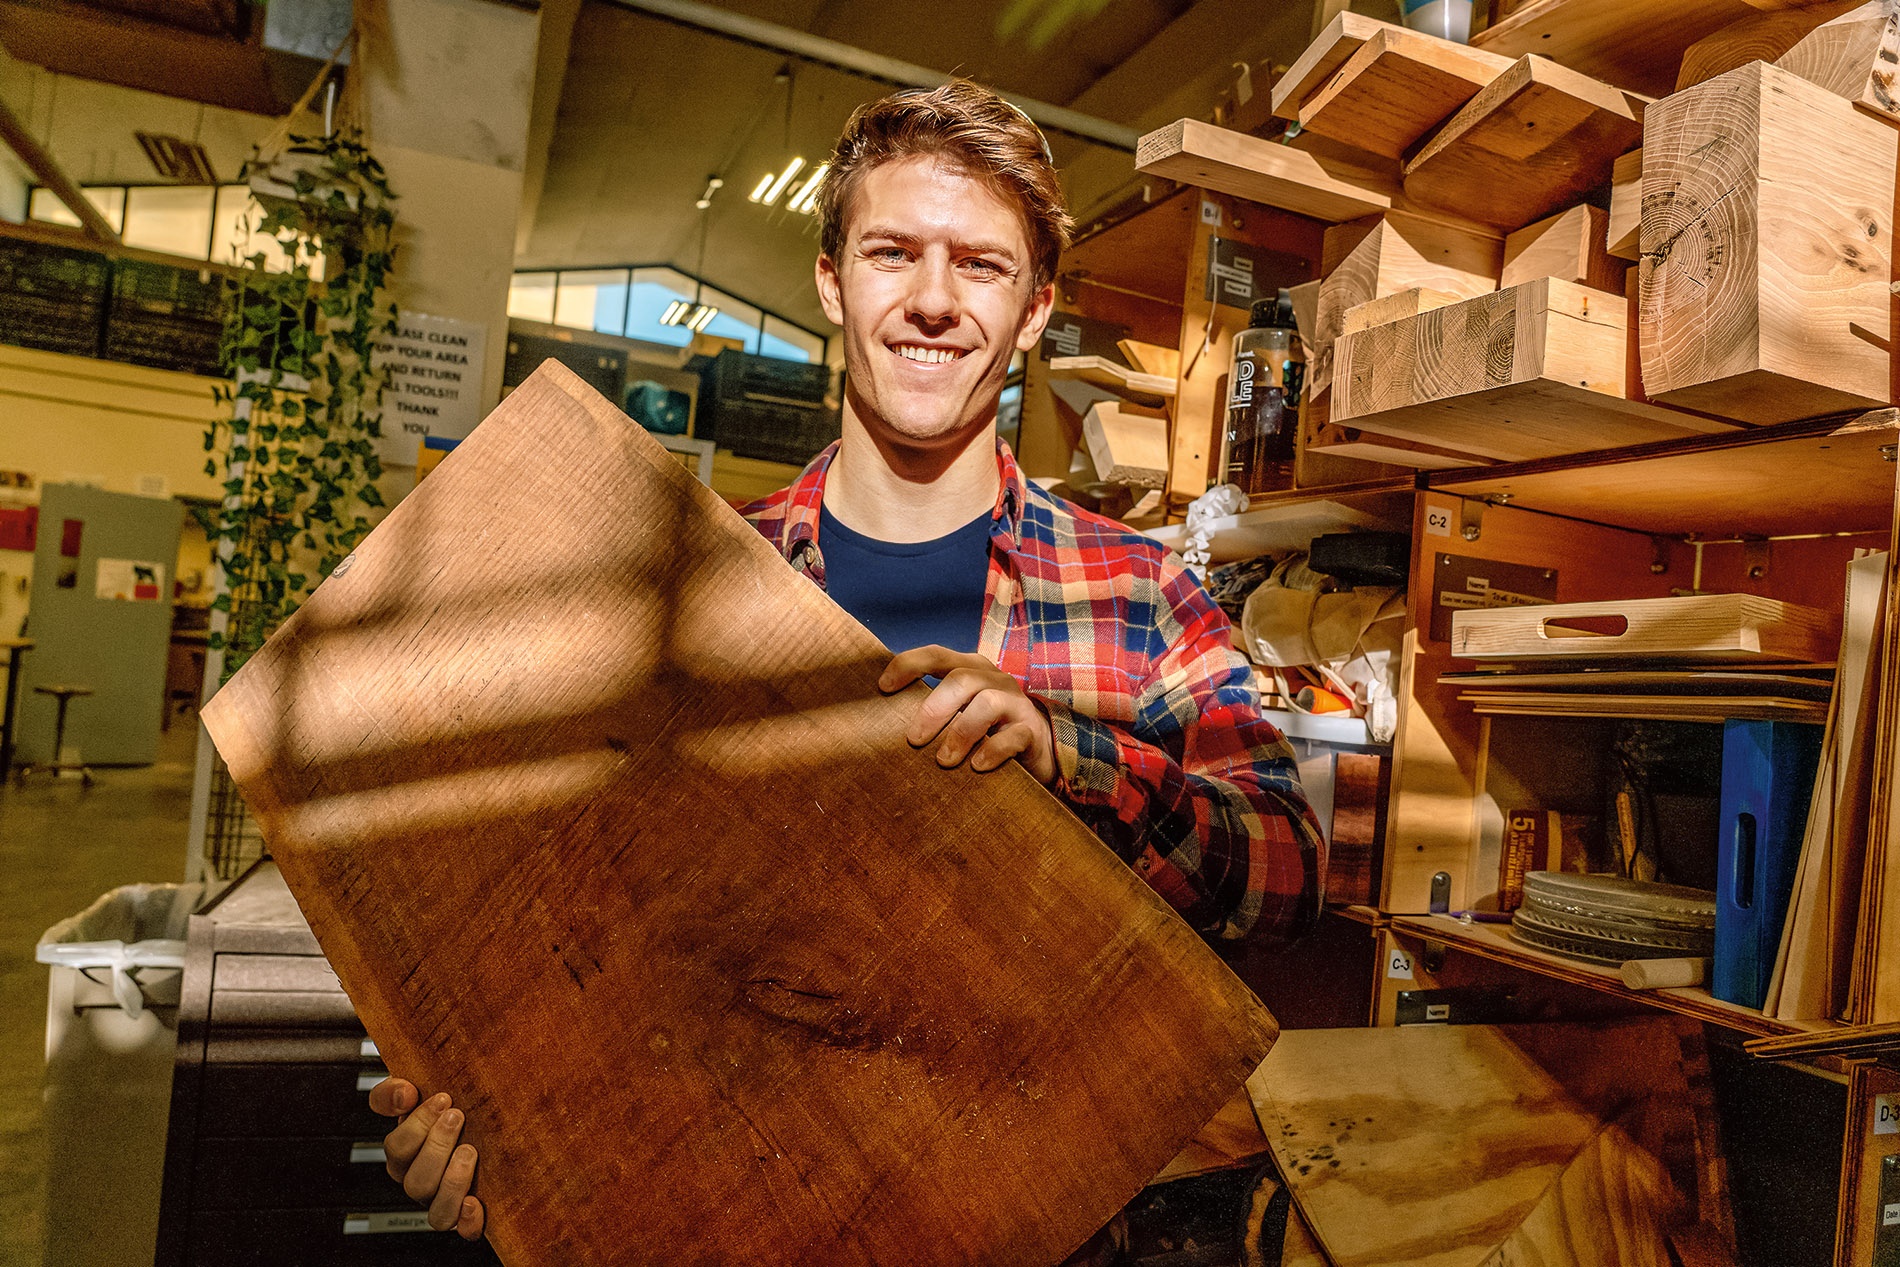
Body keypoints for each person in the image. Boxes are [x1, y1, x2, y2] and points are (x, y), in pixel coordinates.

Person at [369, 78, 1325, 1247]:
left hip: (1037, 1216)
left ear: (1034, 311)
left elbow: (1287, 872)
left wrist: (1071, 761)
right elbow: (574, 906)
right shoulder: (692, 591)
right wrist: (498, 1129)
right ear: (830, 280)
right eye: (891, 253)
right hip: (741, 1205)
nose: (932, 301)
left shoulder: (1136, 591)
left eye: (980, 266)